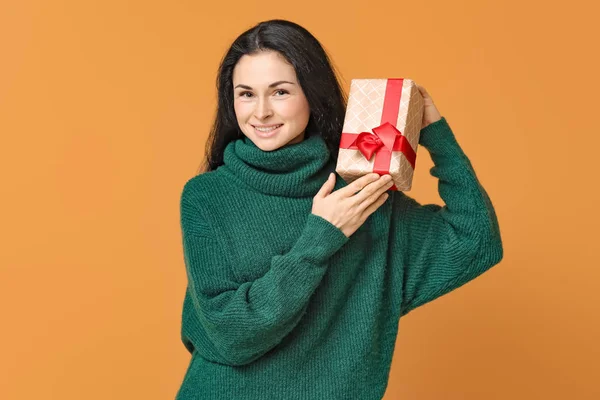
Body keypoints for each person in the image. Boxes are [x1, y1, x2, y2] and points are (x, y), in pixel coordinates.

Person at [175, 19, 503, 400]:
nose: (261, 112)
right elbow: (230, 337)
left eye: (280, 92)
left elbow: (477, 240)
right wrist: (321, 236)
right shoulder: (207, 196)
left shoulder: (361, 191)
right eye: (246, 94)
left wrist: (433, 131)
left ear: (312, 95)